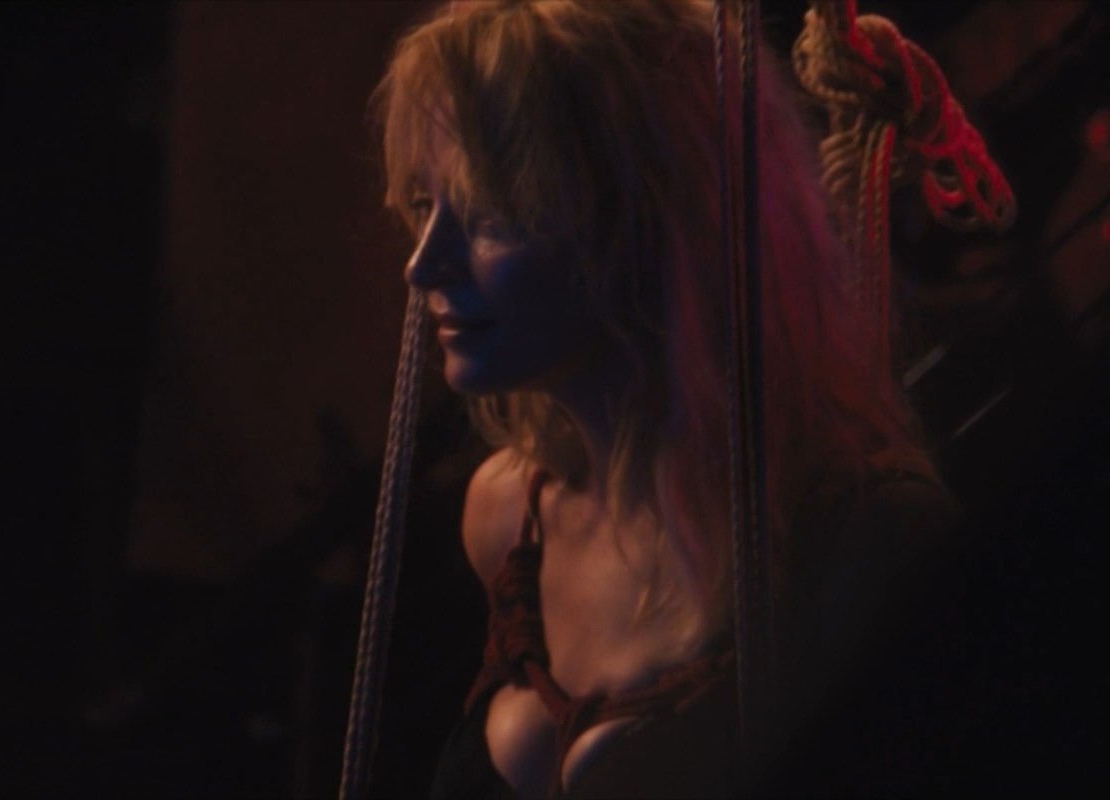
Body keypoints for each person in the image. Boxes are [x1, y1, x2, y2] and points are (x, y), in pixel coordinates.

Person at [369, 0, 963, 796]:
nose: (422, 263)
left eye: (485, 213)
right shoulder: (507, 518)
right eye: (422, 206)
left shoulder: (860, 535)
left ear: (644, 219)